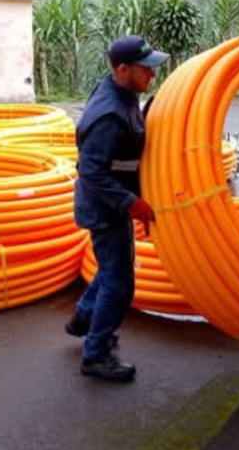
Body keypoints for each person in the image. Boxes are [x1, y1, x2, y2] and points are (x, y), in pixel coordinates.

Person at [65, 35, 168, 382]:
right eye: (146, 69)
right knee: (121, 282)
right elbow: (91, 170)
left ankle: (83, 318)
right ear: (123, 70)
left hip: (110, 202)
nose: (152, 75)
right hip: (105, 208)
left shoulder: (121, 94)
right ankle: (97, 354)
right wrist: (131, 203)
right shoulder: (109, 114)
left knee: (112, 270)